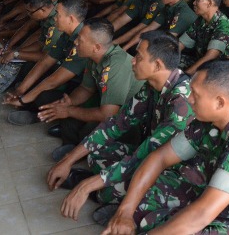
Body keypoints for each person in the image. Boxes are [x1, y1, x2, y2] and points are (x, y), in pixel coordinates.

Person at [101, 60, 229, 234]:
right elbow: (160, 158)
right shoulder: (208, 120)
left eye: (195, 94)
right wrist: (125, 212)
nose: (189, 99)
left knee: (164, 225)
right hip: (222, 206)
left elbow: (201, 214)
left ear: (219, 102)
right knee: (142, 202)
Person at [46, 30, 193, 223]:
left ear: (157, 65)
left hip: (179, 173)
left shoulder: (181, 101)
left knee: (115, 189)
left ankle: (113, 198)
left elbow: (147, 156)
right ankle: (105, 188)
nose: (132, 61)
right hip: (150, 157)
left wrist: (87, 185)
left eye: (138, 57)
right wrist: (69, 159)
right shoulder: (152, 86)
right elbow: (116, 124)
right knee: (96, 153)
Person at [38, 18, 144, 157]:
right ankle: (71, 142)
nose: (75, 42)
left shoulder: (116, 65)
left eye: (80, 40)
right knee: (60, 104)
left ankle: (78, 146)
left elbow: (109, 114)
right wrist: (69, 103)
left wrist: (69, 111)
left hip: (130, 119)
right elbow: (86, 89)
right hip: (107, 105)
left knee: (85, 126)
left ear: (97, 47)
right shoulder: (93, 57)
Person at [178, 0, 229, 73]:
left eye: (198, 0)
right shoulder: (201, 20)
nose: (194, 3)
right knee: (172, 60)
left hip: (221, 70)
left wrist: (185, 75)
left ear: (209, 3)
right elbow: (181, 43)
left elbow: (210, 57)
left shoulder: (223, 25)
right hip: (204, 62)